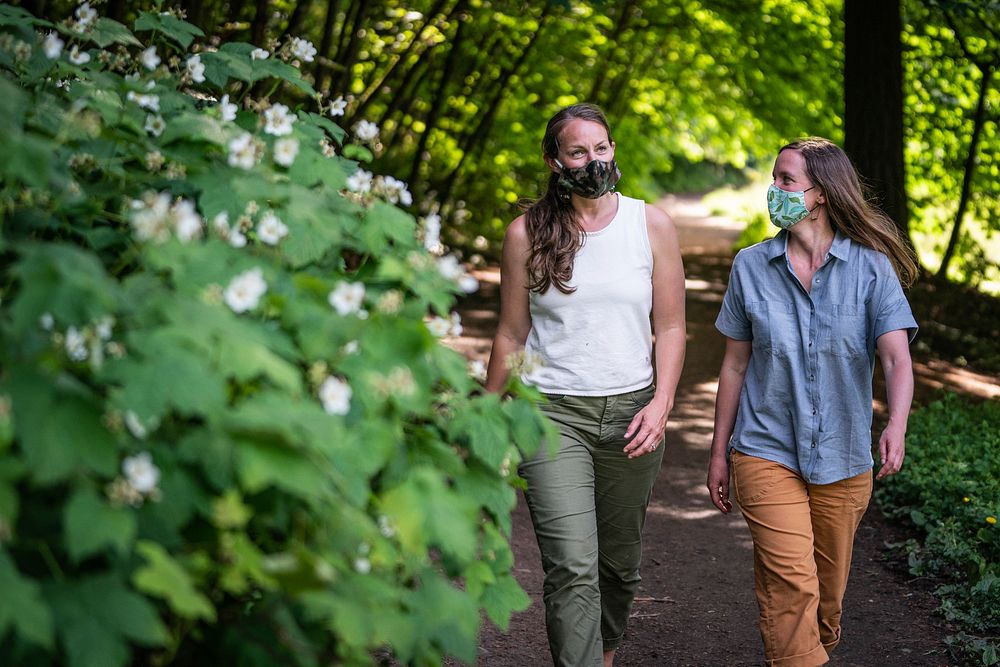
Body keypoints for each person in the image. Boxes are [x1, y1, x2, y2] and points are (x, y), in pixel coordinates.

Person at [484, 103, 686, 666]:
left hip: (631, 415)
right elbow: (510, 335)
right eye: (578, 152)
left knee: (619, 566)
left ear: (613, 150)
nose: (592, 161)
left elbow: (669, 325)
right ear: (555, 162)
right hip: (552, 416)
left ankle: (605, 652)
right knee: (572, 565)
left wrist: (661, 403)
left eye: (601, 148)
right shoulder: (526, 235)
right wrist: (481, 415)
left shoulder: (652, 226)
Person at [707, 137, 918, 667]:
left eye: (785, 180)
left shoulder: (871, 268)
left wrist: (896, 422)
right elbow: (734, 365)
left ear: (820, 194)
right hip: (763, 448)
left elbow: (895, 359)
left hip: (844, 456)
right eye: (774, 178)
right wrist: (718, 452)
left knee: (825, 601)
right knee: (790, 587)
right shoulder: (751, 266)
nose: (773, 189)